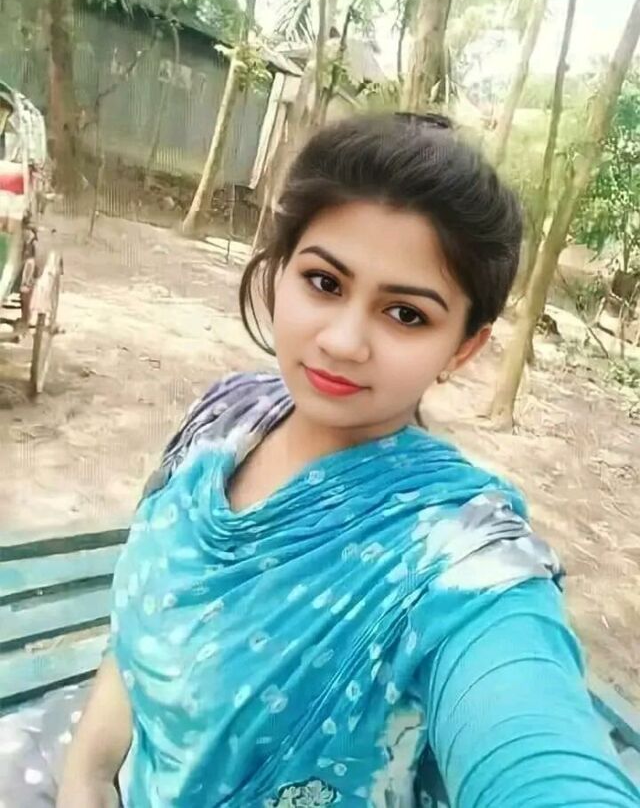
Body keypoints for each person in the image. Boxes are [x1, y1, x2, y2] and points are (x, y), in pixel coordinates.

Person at [2, 113, 638, 807]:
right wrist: (88, 777)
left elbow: (530, 736)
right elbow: (137, 635)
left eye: (406, 314)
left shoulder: (455, 554)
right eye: (325, 282)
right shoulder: (227, 415)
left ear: (462, 348)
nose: (342, 341)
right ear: (281, 268)